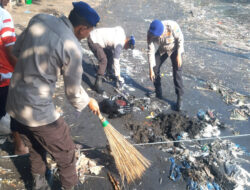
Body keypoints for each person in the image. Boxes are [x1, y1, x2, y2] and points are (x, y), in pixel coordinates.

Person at [6, 1, 100, 190]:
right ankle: (69, 187)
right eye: (89, 31)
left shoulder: (40, 19)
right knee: (66, 153)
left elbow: (16, 51)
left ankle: (40, 184)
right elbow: (72, 93)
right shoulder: (72, 46)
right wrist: (88, 100)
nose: (88, 35)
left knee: (34, 146)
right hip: (37, 111)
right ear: (82, 29)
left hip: (15, 103)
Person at [0, 0, 29, 155]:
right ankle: (19, 146)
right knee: (14, 112)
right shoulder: (3, 16)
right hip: (4, 76)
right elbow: (10, 48)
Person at [147, 19, 184, 111]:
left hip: (175, 48)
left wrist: (179, 54)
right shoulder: (150, 33)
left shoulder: (172, 26)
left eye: (158, 35)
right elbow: (150, 51)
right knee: (155, 68)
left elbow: (180, 39)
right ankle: (158, 92)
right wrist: (150, 69)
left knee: (177, 72)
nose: (156, 37)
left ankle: (179, 98)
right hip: (163, 49)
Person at [87, 26, 135, 94]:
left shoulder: (122, 34)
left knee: (110, 55)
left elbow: (119, 28)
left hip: (97, 36)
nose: (127, 49)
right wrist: (118, 76)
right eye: (128, 47)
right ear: (127, 42)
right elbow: (116, 61)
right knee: (103, 60)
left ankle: (109, 72)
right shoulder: (119, 44)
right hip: (93, 40)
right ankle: (97, 83)